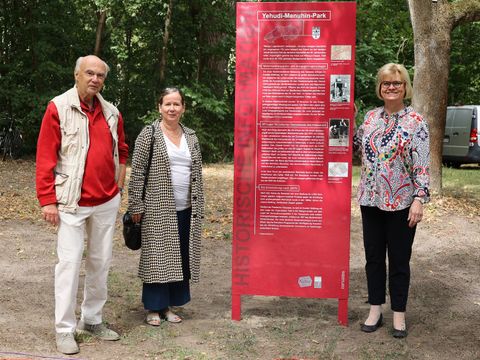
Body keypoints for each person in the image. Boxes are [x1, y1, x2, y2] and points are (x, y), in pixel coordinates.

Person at [36, 55, 128, 354]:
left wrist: (119, 186)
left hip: (106, 201)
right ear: (76, 74)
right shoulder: (58, 107)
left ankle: (92, 320)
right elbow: (45, 157)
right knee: (69, 265)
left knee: (100, 263)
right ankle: (64, 329)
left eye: (101, 75)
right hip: (70, 203)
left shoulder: (112, 112)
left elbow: (122, 150)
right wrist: (47, 200)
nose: (95, 79)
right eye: (89, 73)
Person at [353, 63, 430, 338]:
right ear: (380, 87)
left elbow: (422, 166)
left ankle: (399, 314)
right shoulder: (371, 118)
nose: (391, 87)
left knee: (399, 260)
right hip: (370, 200)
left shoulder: (416, 123)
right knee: (373, 258)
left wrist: (419, 199)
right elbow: (355, 147)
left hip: (401, 203)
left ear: (405, 87)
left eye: (397, 83)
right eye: (386, 83)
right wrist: (344, 118)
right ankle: (375, 309)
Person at [128, 87, 204, 326]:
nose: (172, 108)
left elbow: (197, 174)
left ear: (183, 108)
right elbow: (138, 172)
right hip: (156, 207)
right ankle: (153, 307)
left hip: (186, 208)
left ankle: (169, 306)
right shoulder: (149, 134)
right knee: (157, 256)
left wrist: (199, 205)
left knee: (179, 257)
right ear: (159, 107)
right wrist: (135, 205)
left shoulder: (191, 136)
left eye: (177, 104)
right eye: (167, 104)